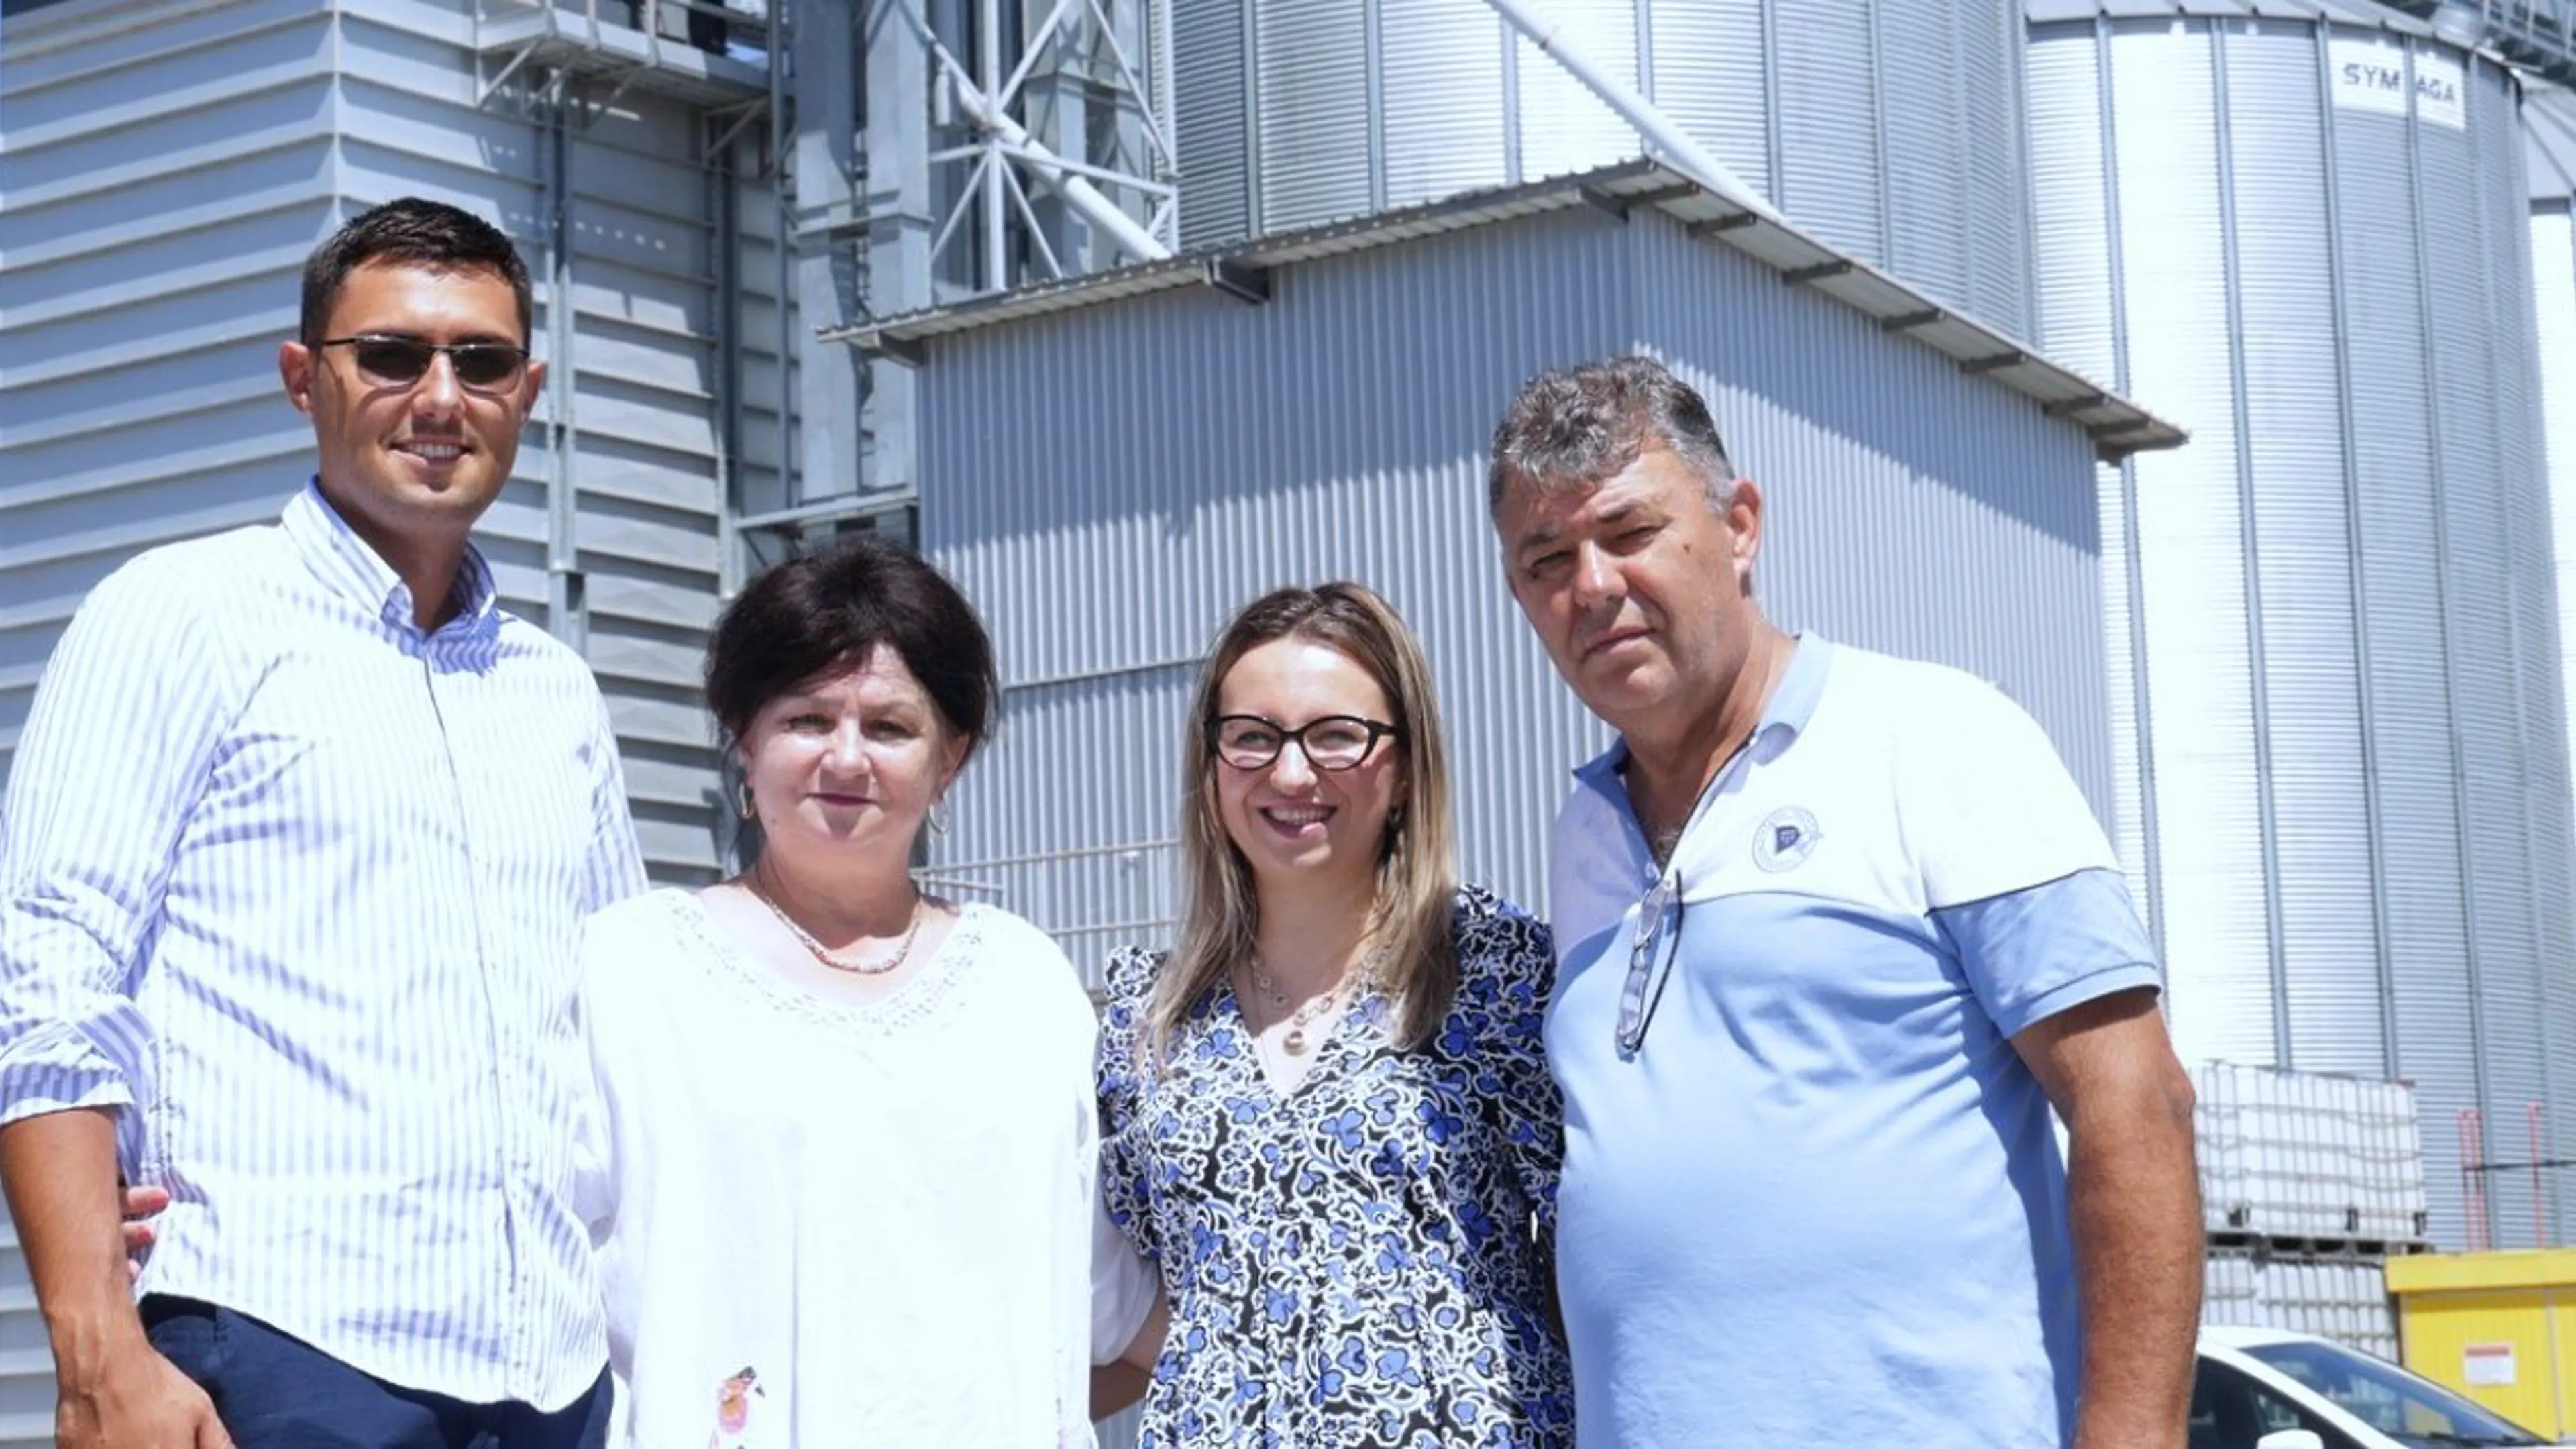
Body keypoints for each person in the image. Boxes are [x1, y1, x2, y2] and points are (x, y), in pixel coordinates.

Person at [0, 198, 644, 1447]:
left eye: (483, 360)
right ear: (305, 378)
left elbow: (614, 1035)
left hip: (555, 1378)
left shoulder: (553, 690)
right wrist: (96, 1354)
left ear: (531, 387)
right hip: (287, 1353)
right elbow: (44, 980)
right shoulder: (184, 616)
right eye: (393, 355)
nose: (441, 396)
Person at [1487, 355, 2202, 1448]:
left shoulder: (1934, 738)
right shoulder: (1582, 835)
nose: (1592, 586)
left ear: (1739, 525)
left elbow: (2135, 1106)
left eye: (1631, 534)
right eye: (1548, 559)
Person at [574, 533, 1099, 1446]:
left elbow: (1103, 1300)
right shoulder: (630, 970)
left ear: (952, 758)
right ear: (744, 737)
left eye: (891, 727)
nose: (847, 759)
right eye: (807, 720)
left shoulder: (1025, 988)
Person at [1092, 582, 1573, 1446]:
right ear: (1209, 770)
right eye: (1251, 737)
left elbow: (1603, 1262)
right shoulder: (1148, 1019)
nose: (1290, 772)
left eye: (1337, 737)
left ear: (1406, 769)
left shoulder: (1495, 974)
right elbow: (1123, 1302)